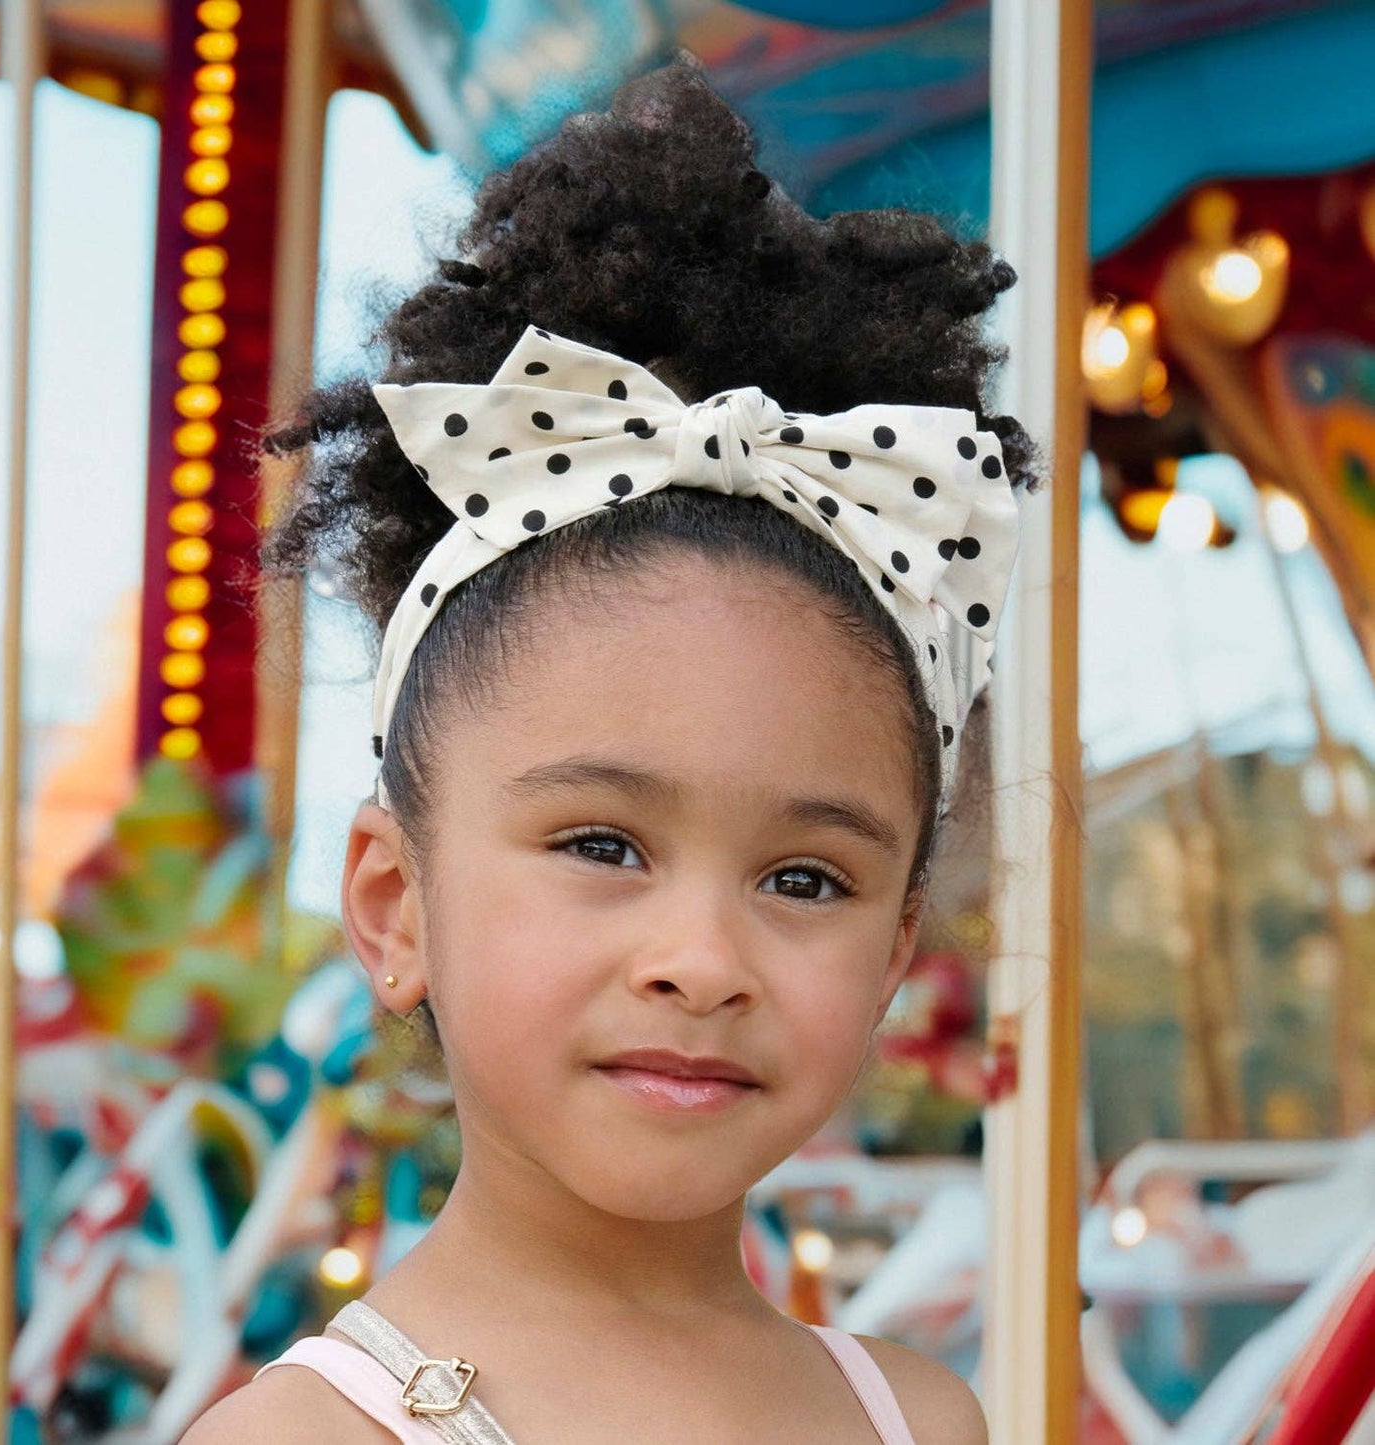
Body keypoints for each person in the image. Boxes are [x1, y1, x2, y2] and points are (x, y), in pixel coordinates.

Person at [185, 57, 1035, 1445]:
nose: (699, 959)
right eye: (601, 843)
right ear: (396, 902)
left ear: (893, 953)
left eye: (806, 878)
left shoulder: (921, 1416)